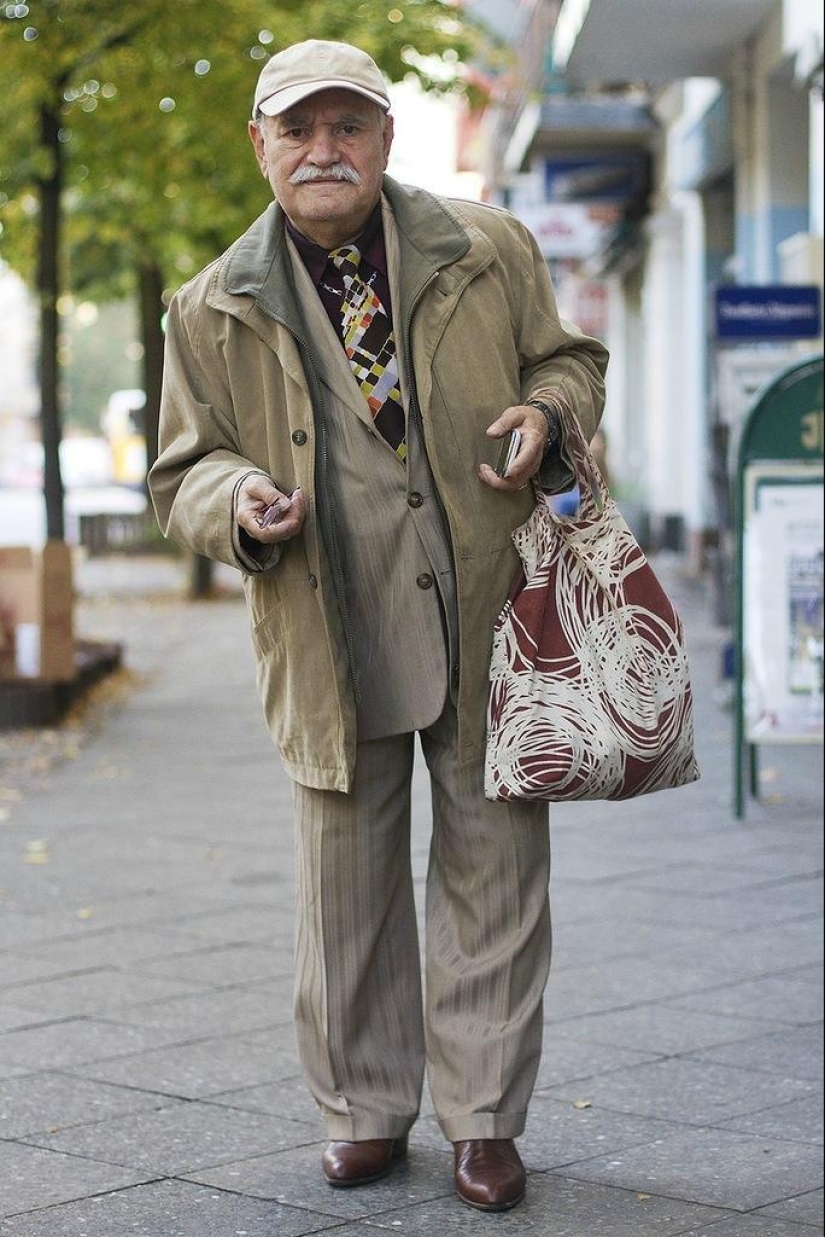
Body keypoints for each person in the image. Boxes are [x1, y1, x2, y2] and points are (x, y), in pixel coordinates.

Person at [149, 38, 608, 1213]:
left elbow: (571, 362)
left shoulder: (485, 246)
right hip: (328, 625)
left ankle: (487, 1118)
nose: (324, 150)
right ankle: (363, 1109)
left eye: (348, 126)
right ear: (261, 146)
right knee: (343, 891)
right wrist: (235, 504)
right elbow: (181, 472)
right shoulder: (210, 306)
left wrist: (545, 413)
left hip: (486, 603)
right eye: (299, 130)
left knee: (497, 874)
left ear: (386, 139)